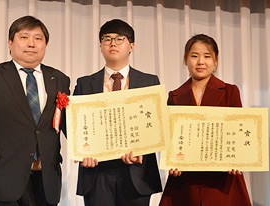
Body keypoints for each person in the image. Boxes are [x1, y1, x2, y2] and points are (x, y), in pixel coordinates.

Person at [0, 15, 70, 206]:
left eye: (38, 38)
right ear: (10, 43)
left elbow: (70, 125)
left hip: (46, 180)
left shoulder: (60, 79)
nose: (31, 43)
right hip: (0, 179)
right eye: (24, 37)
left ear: (45, 45)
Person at [74, 19, 162, 206]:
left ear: (131, 46)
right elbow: (77, 126)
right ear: (100, 47)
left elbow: (157, 125)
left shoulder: (149, 82)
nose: (112, 43)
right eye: (107, 39)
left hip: (136, 172)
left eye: (119, 38)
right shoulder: (84, 84)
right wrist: (82, 151)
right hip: (97, 173)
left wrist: (143, 151)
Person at [159, 34, 251, 206]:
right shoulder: (175, 96)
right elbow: (171, 138)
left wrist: (237, 159)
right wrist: (172, 161)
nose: (200, 62)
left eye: (207, 56)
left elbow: (239, 132)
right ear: (185, 60)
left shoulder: (230, 91)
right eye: (194, 56)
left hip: (222, 182)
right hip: (185, 182)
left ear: (215, 61)